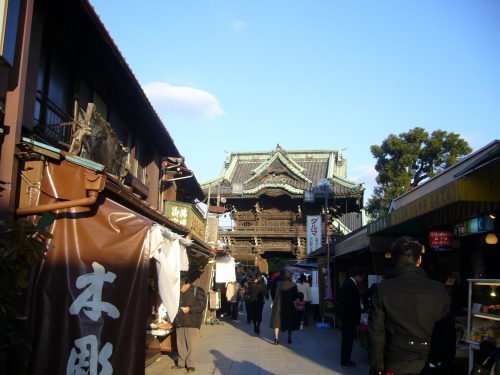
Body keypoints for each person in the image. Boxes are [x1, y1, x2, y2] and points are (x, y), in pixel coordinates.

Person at [368, 236, 455, 375]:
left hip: (396, 361)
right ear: (419, 260)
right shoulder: (439, 289)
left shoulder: (382, 289)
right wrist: (447, 361)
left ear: (394, 260)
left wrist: (377, 364)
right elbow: (448, 331)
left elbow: (376, 332)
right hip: (432, 360)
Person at [171, 276, 207, 373]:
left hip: (192, 321)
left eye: (182, 287)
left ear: (188, 284)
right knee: (180, 343)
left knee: (192, 344)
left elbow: (202, 305)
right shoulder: (178, 292)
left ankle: (191, 364)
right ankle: (181, 362)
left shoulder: (197, 291)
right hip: (179, 320)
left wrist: (190, 309)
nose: (180, 289)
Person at [337, 268, 365, 367]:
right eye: (361, 277)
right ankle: (346, 360)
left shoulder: (347, 283)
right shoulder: (350, 285)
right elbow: (350, 303)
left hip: (347, 317)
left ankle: (346, 358)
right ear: (357, 276)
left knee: (347, 339)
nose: (361, 280)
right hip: (349, 317)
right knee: (347, 339)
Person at [269, 270, 299, 345]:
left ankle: (276, 339)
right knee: (290, 322)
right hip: (289, 305)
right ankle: (289, 338)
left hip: (278, 304)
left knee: (277, 322)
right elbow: (295, 296)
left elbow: (274, 293)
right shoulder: (293, 285)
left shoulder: (278, 284)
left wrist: (273, 300)